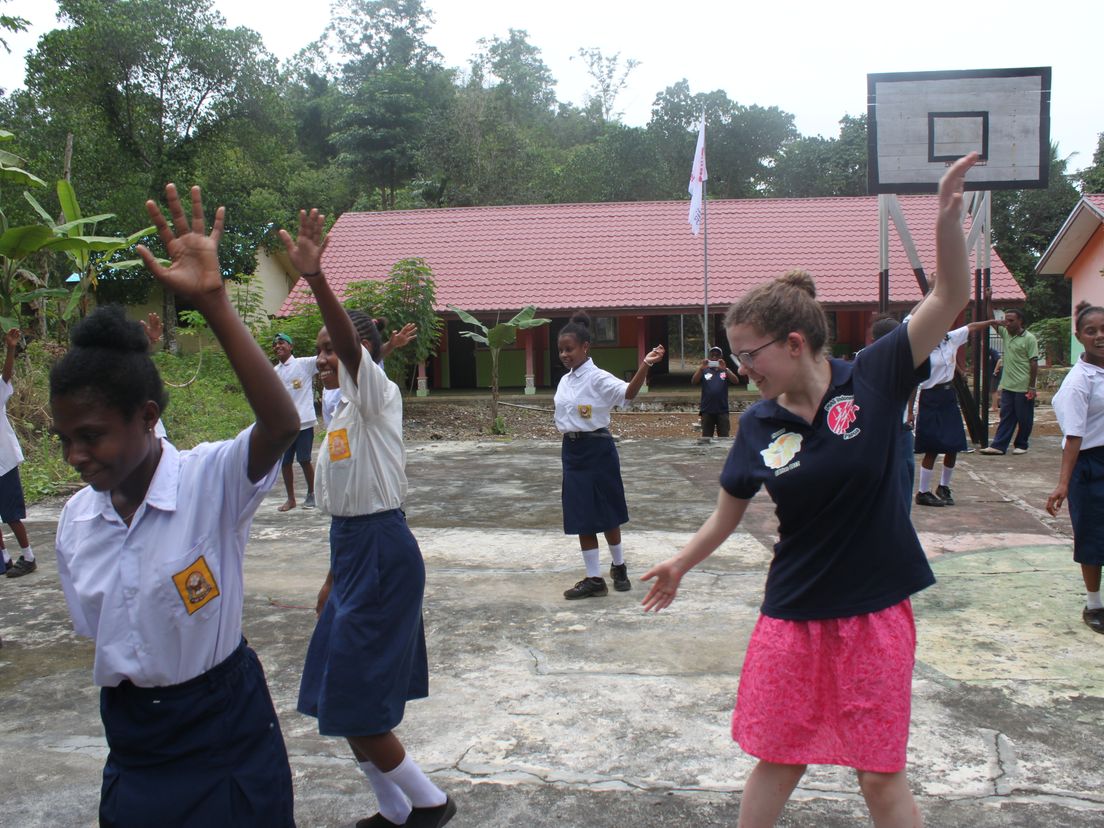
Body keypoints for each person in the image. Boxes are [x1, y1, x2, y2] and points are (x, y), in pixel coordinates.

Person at [641, 153, 978, 828]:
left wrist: (945, 219)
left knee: (880, 776)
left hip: (876, 612)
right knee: (778, 757)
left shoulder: (876, 377)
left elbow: (949, 297)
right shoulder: (759, 423)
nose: (741, 370)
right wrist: (681, 562)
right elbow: (727, 514)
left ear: (794, 342)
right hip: (792, 611)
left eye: (749, 355)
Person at [51, 184, 300, 827]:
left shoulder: (206, 483)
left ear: (147, 417)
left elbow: (278, 425)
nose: (76, 455)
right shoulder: (77, 525)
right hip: (135, 742)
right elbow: (102, 631)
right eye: (65, 439)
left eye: (92, 435)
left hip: (224, 730)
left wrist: (214, 301)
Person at [283, 209, 455, 828]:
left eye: (334, 349)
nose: (324, 356)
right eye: (321, 350)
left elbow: (352, 349)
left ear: (361, 355)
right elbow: (341, 507)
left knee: (357, 704)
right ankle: (393, 808)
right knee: (335, 695)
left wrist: (318, 278)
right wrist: (332, 576)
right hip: (352, 549)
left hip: (383, 550)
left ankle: (430, 804)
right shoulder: (333, 411)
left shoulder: (376, 394)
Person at [555, 311, 664, 600]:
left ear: (585, 347)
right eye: (561, 350)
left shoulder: (598, 377)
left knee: (607, 512)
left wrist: (645, 365)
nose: (565, 354)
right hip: (573, 452)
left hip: (598, 449)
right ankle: (594, 579)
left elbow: (628, 394)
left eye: (570, 349)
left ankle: (619, 566)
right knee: (582, 515)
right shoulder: (565, 380)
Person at [1046, 301, 1104, 634]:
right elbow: (1073, 437)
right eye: (1091, 331)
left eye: (1103, 329)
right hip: (1090, 464)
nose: (1099, 336)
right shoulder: (1078, 383)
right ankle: (1094, 604)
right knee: (1093, 536)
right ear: (1079, 335)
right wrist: (1063, 484)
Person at [913, 319, 995, 507]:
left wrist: (992, 321)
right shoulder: (922, 349)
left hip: (948, 395)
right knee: (932, 447)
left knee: (954, 445)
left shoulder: (950, 339)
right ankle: (923, 491)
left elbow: (972, 327)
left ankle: (943, 486)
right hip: (930, 397)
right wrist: (910, 412)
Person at [322, 321, 418, 428]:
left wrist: (391, 345)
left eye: (330, 349)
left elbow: (368, 358)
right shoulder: (330, 387)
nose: (320, 360)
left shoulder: (371, 377)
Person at [869, 314, 914, 514]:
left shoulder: (864, 357)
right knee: (898, 490)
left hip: (887, 431)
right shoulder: (896, 360)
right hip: (889, 432)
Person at [979, 308, 1039, 455]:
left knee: (1024, 417)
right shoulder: (1005, 334)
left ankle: (1022, 444)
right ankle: (999, 446)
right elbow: (991, 319)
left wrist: (1031, 386)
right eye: (1006, 320)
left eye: (1011, 320)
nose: (1007, 323)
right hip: (1008, 385)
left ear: (1020, 321)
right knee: (1006, 416)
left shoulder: (1029, 338)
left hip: (1023, 386)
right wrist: (988, 299)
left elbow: (1034, 363)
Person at [0, 327, 35, 578]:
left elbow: (6, 377)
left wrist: (11, 348)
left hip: (4, 462)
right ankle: (4, 559)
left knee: (11, 514)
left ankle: (29, 556)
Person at [273, 331, 318, 510]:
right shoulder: (275, 372)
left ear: (291, 346)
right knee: (285, 462)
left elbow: (323, 356)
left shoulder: (304, 364)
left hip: (304, 421)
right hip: (286, 426)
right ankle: (291, 499)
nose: (278, 346)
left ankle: (312, 493)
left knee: (304, 459)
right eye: (275, 344)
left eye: (282, 343)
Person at [691, 345, 740, 442]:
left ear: (721, 357)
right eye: (712, 355)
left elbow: (736, 381)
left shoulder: (725, 371)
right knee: (706, 438)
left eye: (717, 355)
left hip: (722, 410)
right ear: (709, 357)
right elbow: (694, 381)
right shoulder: (704, 370)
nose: (714, 357)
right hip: (707, 410)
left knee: (724, 438)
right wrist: (701, 368)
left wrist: (725, 369)